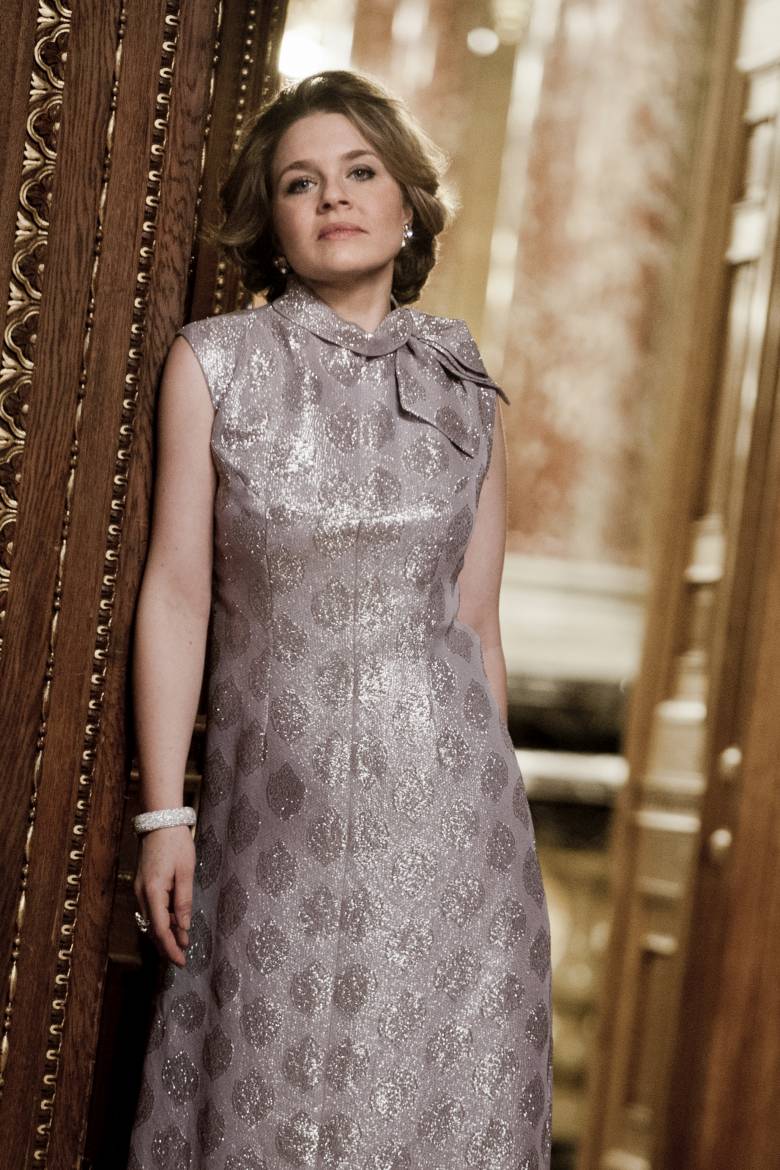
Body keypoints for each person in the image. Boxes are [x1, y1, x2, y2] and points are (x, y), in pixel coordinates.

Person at [127, 68, 551, 1170]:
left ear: (408, 202)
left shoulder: (463, 382)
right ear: (271, 220)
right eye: (299, 182)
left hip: (453, 828)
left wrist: (495, 818)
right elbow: (176, 591)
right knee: (270, 1116)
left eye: (360, 171)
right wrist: (164, 814)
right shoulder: (215, 363)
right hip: (274, 828)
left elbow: (477, 625)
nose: (333, 198)